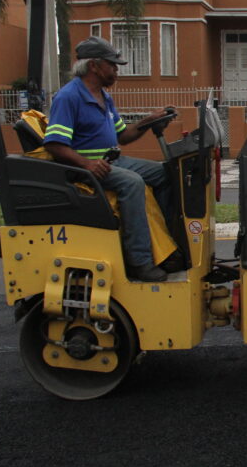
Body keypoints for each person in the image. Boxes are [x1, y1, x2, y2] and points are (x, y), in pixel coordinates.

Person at [44, 36, 179, 282]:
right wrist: (88, 164)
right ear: (94, 66)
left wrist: (149, 120)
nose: (116, 70)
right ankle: (139, 260)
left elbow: (124, 136)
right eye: (112, 65)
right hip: (84, 169)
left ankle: (166, 249)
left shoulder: (103, 97)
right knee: (132, 183)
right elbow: (54, 144)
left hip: (111, 162)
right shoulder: (69, 97)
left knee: (166, 173)